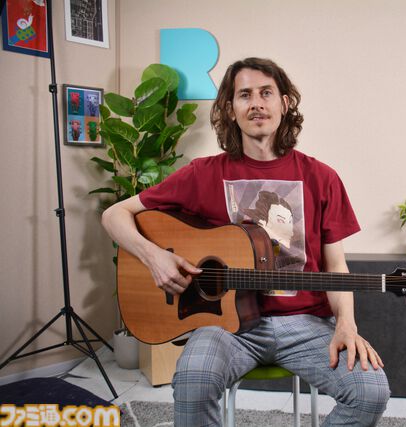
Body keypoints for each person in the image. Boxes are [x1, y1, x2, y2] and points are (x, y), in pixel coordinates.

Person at [101, 57, 390, 426]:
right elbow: (114, 215)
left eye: (266, 93)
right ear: (230, 108)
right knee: (193, 381)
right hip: (225, 327)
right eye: (244, 95)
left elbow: (336, 267)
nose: (256, 104)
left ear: (285, 103)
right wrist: (154, 256)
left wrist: (346, 324)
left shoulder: (322, 177)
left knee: (371, 392)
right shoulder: (202, 174)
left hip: (304, 323)